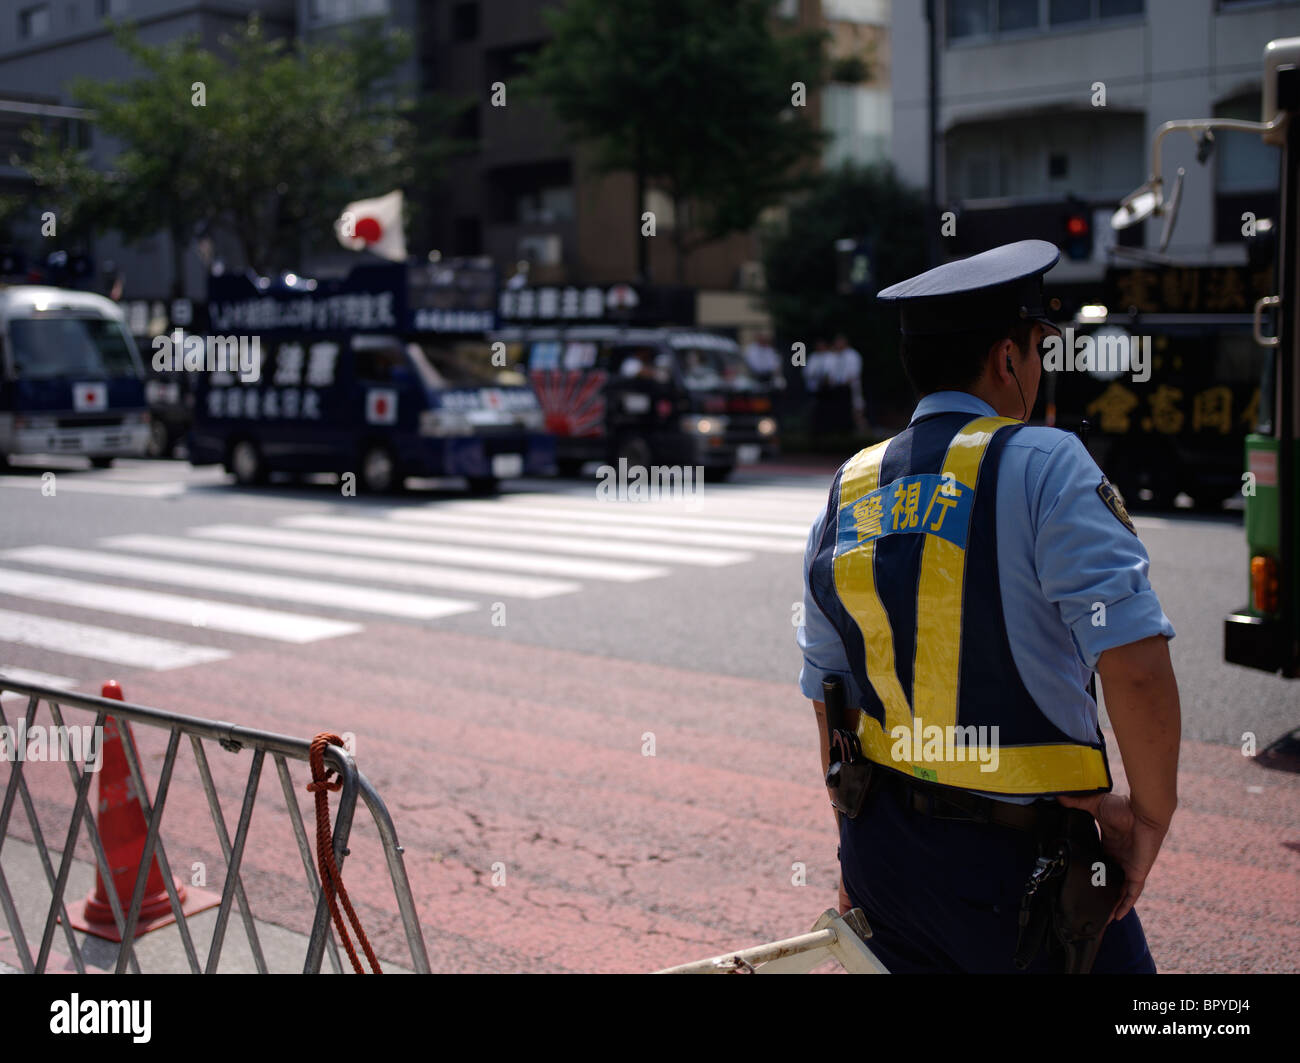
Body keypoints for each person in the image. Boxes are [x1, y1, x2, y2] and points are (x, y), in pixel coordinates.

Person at [795, 240, 1181, 974]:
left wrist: (856, 851)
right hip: (1024, 864)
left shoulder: (848, 485)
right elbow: (1132, 662)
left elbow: (831, 700)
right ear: (1009, 359)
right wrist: (1149, 816)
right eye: (1040, 348)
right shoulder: (1047, 463)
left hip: (886, 856)